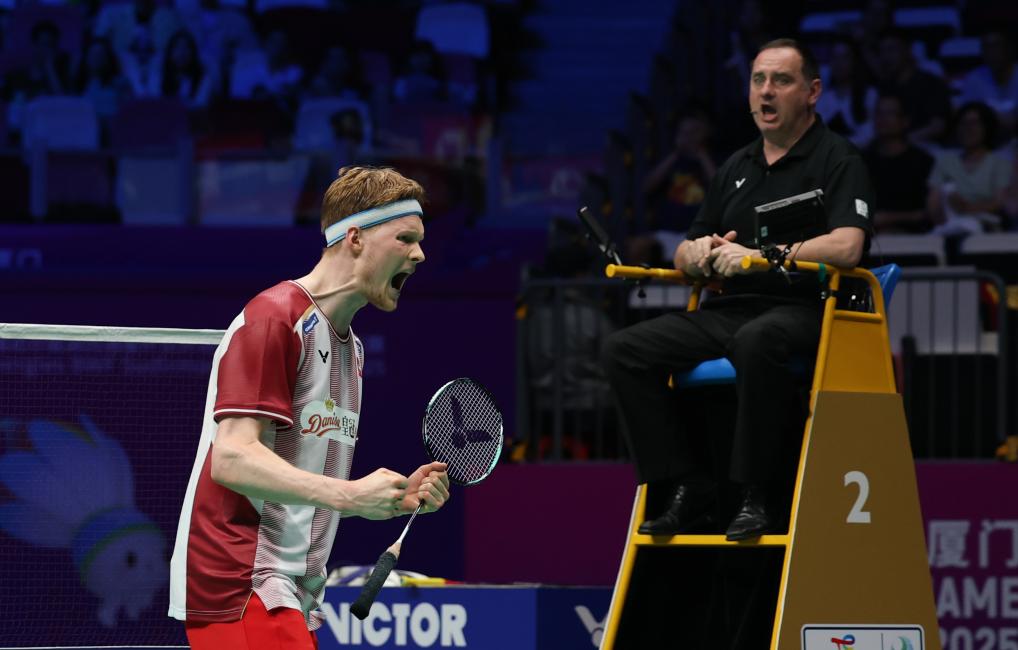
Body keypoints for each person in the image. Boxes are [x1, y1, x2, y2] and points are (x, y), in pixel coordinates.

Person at [601, 39, 874, 541]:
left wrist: (763, 256)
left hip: (808, 306)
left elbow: (848, 245)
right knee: (625, 350)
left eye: (781, 80)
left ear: (812, 91)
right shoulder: (736, 167)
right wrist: (696, 253)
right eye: (758, 80)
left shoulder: (838, 158)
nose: (766, 92)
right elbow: (685, 249)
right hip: (732, 309)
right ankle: (687, 483)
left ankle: (757, 492)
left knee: (757, 340)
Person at [168, 166, 450, 649]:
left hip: (292, 591)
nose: (420, 254)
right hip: (241, 580)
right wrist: (349, 495)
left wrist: (386, 499)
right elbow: (231, 458)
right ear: (355, 238)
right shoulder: (275, 318)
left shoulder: (351, 349)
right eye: (405, 238)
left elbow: (294, 486)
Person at [928, 101, 1013, 234]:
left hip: (988, 229)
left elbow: (999, 202)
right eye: (963, 123)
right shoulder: (945, 162)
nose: (968, 129)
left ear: (987, 127)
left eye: (974, 123)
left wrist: (967, 208)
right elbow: (933, 202)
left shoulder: (1001, 163)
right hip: (949, 226)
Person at [863, 93, 935, 233]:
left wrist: (888, 219)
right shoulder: (861, 160)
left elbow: (928, 213)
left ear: (905, 121)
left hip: (913, 236)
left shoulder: (923, 162)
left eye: (890, 113)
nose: (883, 119)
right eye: (879, 113)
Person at [873, 29, 952, 144]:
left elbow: (938, 126)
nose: (886, 57)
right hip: (892, 147)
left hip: (927, 146)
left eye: (891, 49)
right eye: (882, 51)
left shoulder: (931, 83)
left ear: (907, 50)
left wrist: (903, 142)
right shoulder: (884, 87)